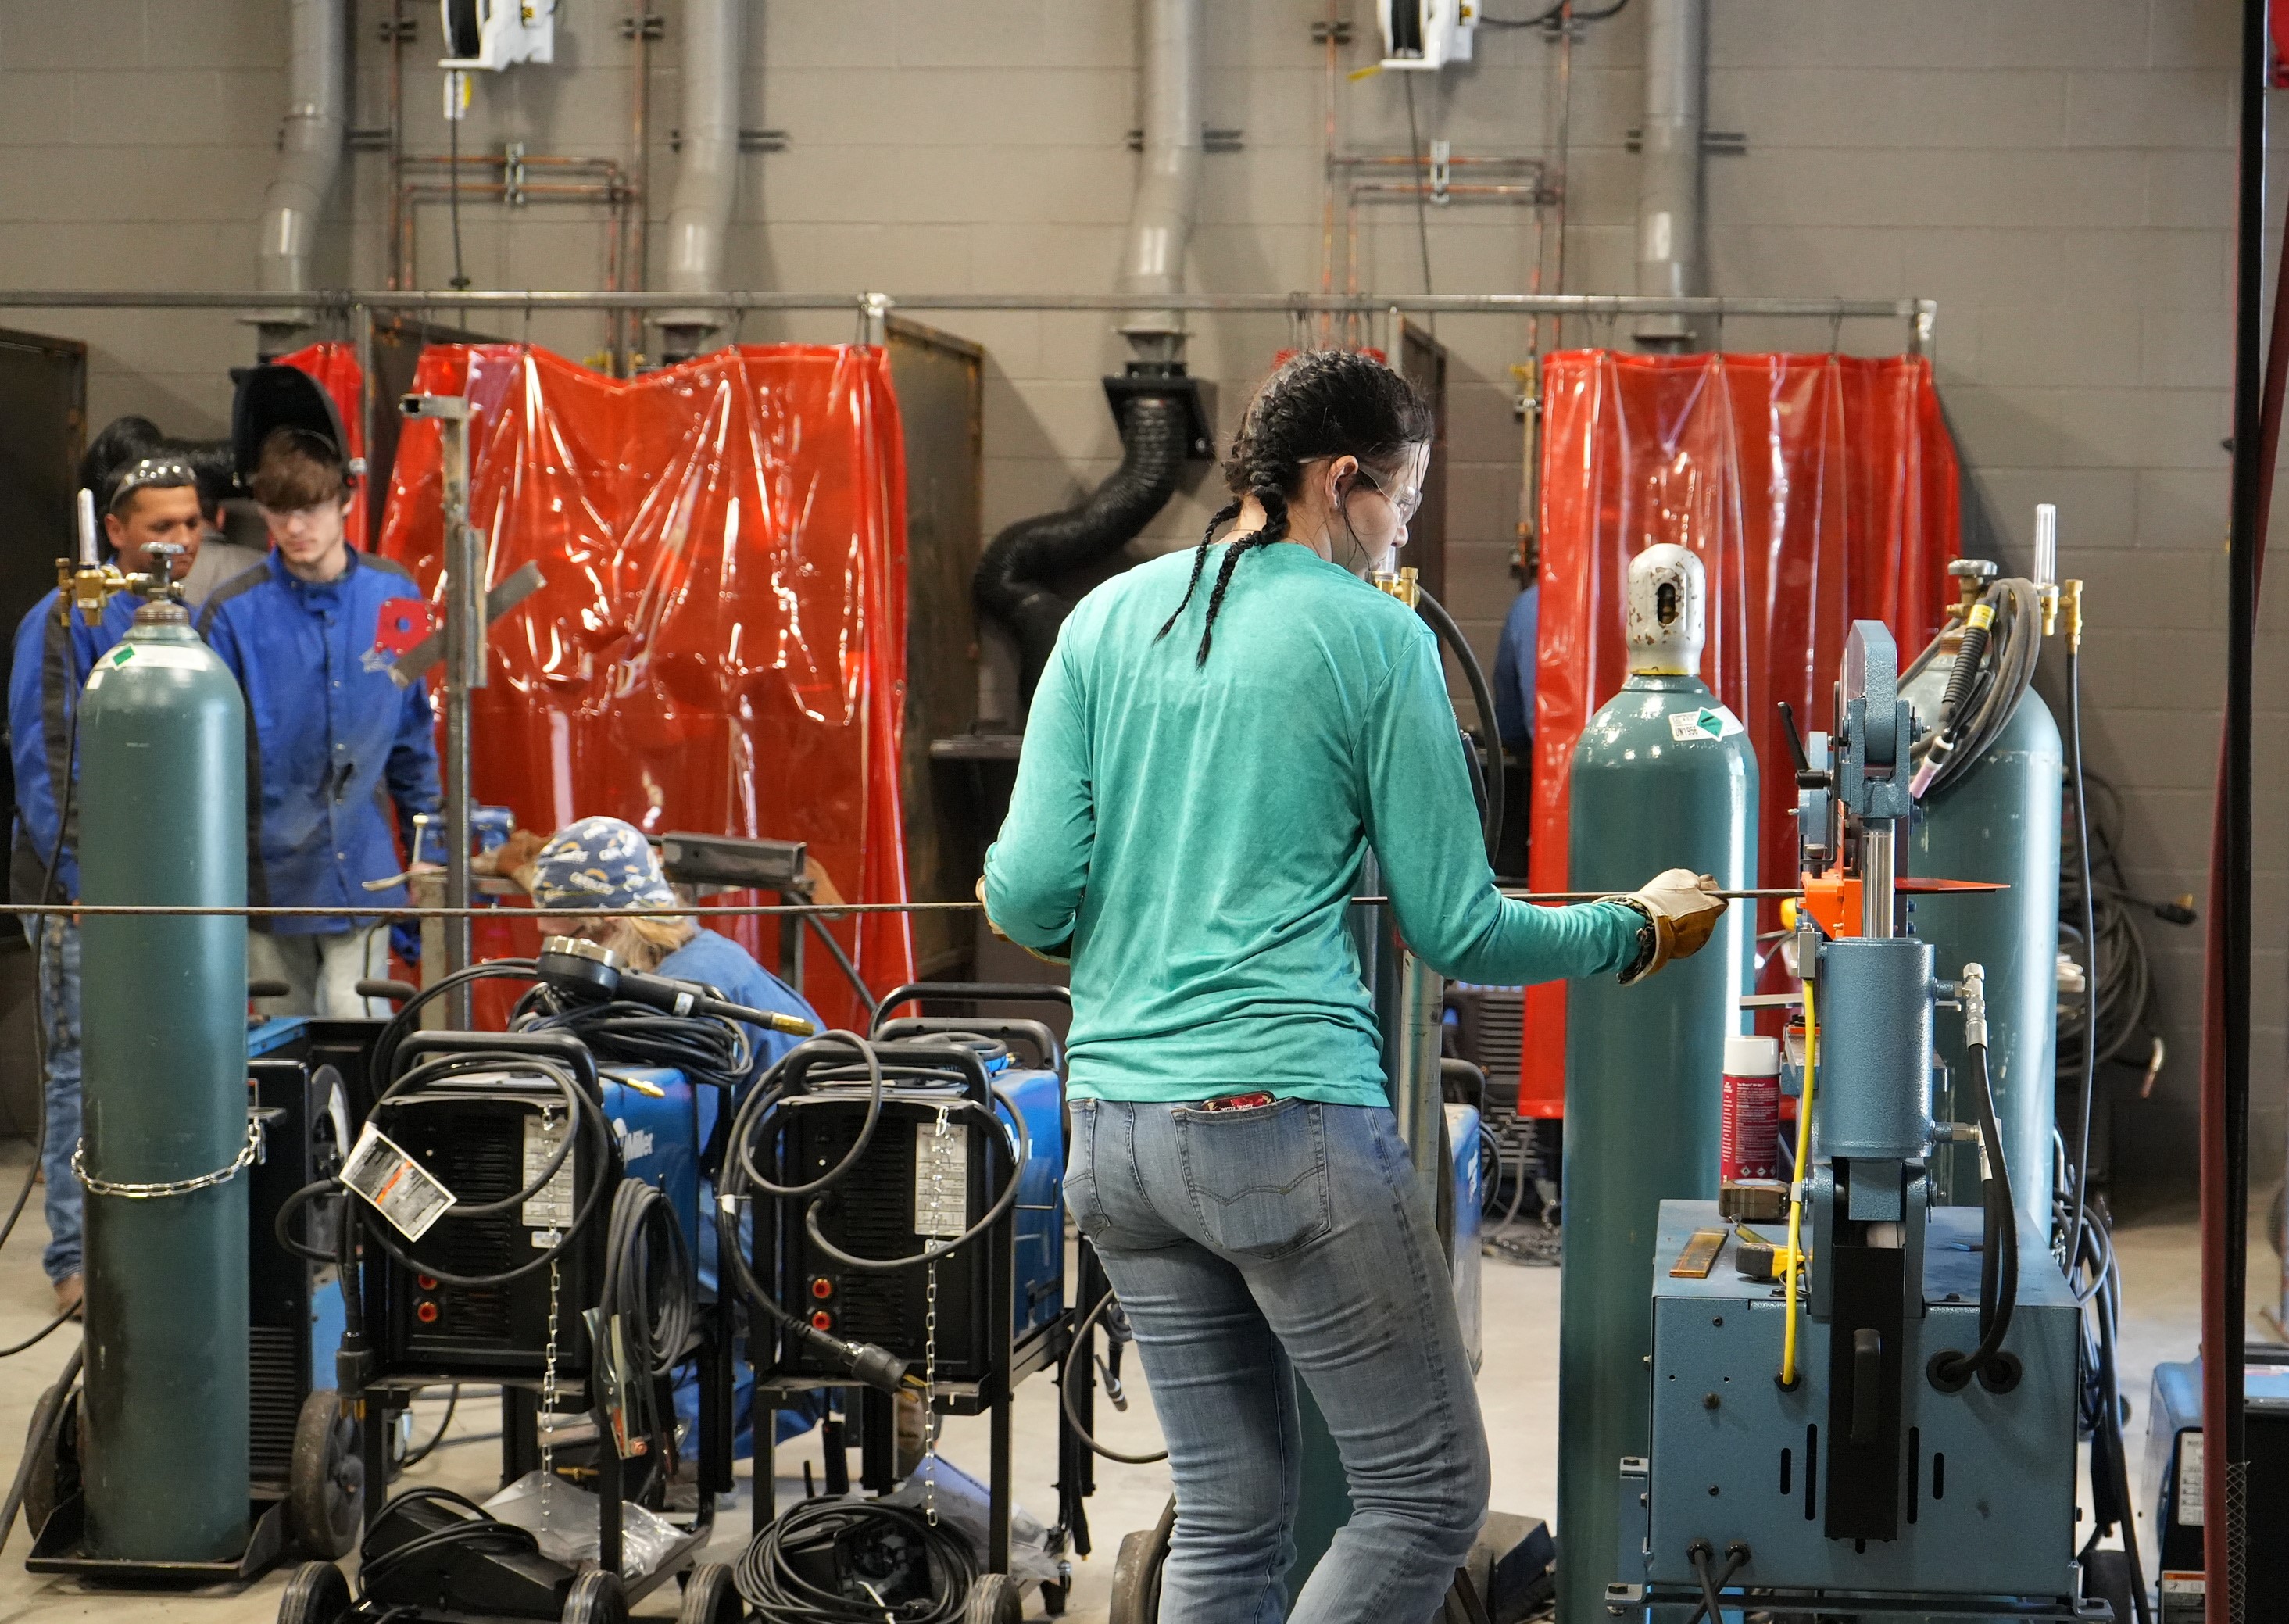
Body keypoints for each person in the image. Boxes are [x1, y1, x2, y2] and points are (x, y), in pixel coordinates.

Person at [981, 350, 1726, 1624]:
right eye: (1401, 502)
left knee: (1228, 1505)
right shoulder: (1372, 639)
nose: (1397, 541)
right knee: (1424, 1491)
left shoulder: (1103, 619)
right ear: (1338, 483)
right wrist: (1630, 928)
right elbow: (1456, 924)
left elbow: (1027, 895)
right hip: (1281, 1126)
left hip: (1108, 1130)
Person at [510, 815, 829, 1461]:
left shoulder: (686, 993)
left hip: (786, 1216)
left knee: (609, 1238)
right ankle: (645, 1424)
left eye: (563, 940)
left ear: (607, 926)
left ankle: (657, 1437)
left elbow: (673, 1159)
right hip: (758, 1193)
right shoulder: (693, 958)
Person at [8, 453, 206, 1313]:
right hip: (82, 895)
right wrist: (83, 882)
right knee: (80, 1068)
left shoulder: (179, 622)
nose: (182, 542)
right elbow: (44, 760)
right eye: (161, 527)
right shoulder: (64, 621)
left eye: (193, 523)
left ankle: (154, 1242)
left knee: (164, 1063)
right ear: (114, 531)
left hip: (165, 889)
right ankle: (72, 1257)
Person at [200, 427, 441, 1018]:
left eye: (310, 510)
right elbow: (204, 769)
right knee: (285, 1054)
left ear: (346, 503)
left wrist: (428, 850)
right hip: (266, 878)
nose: (295, 528)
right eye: (279, 513)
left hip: (363, 873)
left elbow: (412, 741)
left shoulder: (395, 596)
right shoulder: (231, 614)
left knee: (357, 1031)